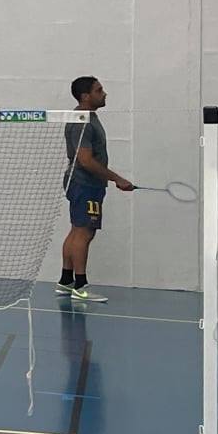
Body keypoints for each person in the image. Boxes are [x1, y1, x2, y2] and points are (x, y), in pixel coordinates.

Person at [61, 75, 133, 304]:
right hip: (85, 183)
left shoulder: (87, 117)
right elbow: (85, 160)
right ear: (85, 96)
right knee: (85, 233)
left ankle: (66, 281)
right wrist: (117, 178)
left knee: (77, 231)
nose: (104, 93)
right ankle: (80, 286)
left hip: (84, 183)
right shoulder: (82, 121)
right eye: (99, 90)